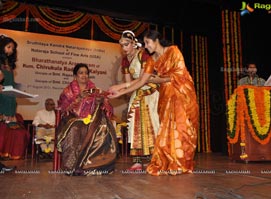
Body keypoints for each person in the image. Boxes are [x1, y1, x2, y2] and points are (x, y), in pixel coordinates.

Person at [108, 30, 199, 176]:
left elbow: (180, 74)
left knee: (181, 127)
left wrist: (159, 80)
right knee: (166, 128)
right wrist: (120, 90)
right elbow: (142, 80)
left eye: (147, 42)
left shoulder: (173, 51)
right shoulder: (151, 60)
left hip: (180, 92)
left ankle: (181, 161)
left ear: (156, 41)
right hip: (165, 95)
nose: (145, 46)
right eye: (144, 43)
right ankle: (169, 160)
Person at [56, 63, 117, 176]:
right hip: (72, 119)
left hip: (92, 119)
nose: (84, 75)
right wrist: (79, 98)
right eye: (81, 73)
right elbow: (64, 108)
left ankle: (95, 165)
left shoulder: (94, 90)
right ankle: (73, 166)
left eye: (86, 73)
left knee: (103, 126)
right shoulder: (67, 91)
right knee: (75, 129)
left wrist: (101, 101)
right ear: (75, 76)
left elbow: (106, 106)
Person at [118, 30, 160, 170]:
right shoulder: (125, 60)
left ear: (133, 44)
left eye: (126, 44)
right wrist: (123, 91)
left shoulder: (143, 54)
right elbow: (129, 81)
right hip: (137, 91)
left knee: (151, 123)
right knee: (134, 123)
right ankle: (138, 160)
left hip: (149, 90)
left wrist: (121, 90)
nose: (124, 48)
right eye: (122, 45)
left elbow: (143, 79)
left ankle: (154, 158)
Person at [0, 35, 29, 160]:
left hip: (9, 98)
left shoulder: (9, 64)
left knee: (6, 131)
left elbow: (9, 81)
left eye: (12, 48)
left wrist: (18, 89)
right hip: (1, 99)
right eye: (8, 47)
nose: (10, 50)